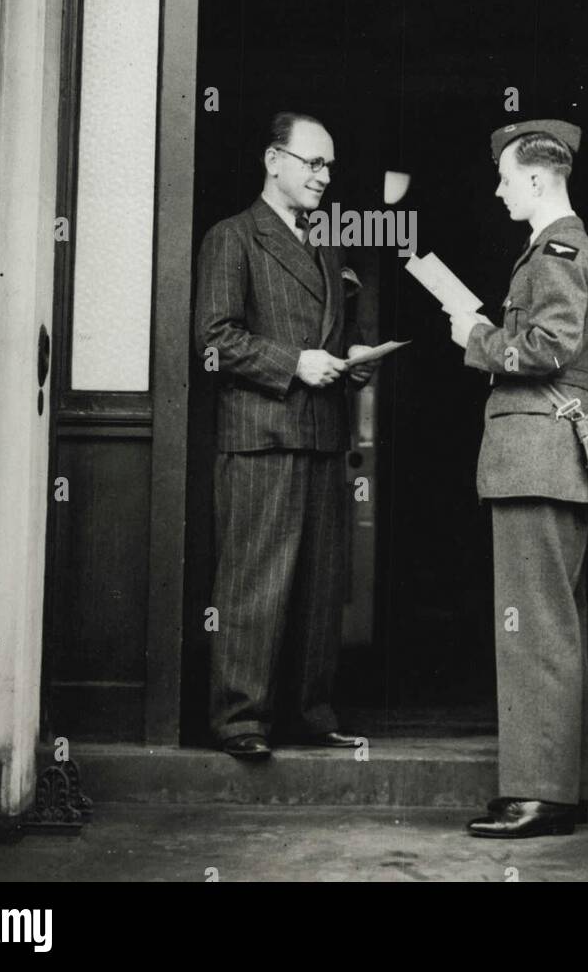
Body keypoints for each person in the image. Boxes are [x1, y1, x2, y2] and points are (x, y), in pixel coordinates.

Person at [194, 111, 375, 759]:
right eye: (312, 163)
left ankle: (308, 713)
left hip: (322, 436)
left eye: (329, 166)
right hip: (261, 437)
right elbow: (214, 342)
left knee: (319, 588)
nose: (325, 177)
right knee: (254, 582)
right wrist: (294, 363)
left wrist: (354, 361)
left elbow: (325, 339)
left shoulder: (326, 246)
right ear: (274, 161)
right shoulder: (232, 238)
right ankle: (240, 719)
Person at [448, 119, 588, 837]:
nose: (498, 188)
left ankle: (540, 796)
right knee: (552, 626)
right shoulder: (573, 251)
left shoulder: (553, 252)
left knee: (534, 632)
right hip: (552, 461)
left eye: (507, 177)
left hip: (535, 462)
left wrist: (476, 338)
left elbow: (547, 347)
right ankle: (556, 786)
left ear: (539, 179)